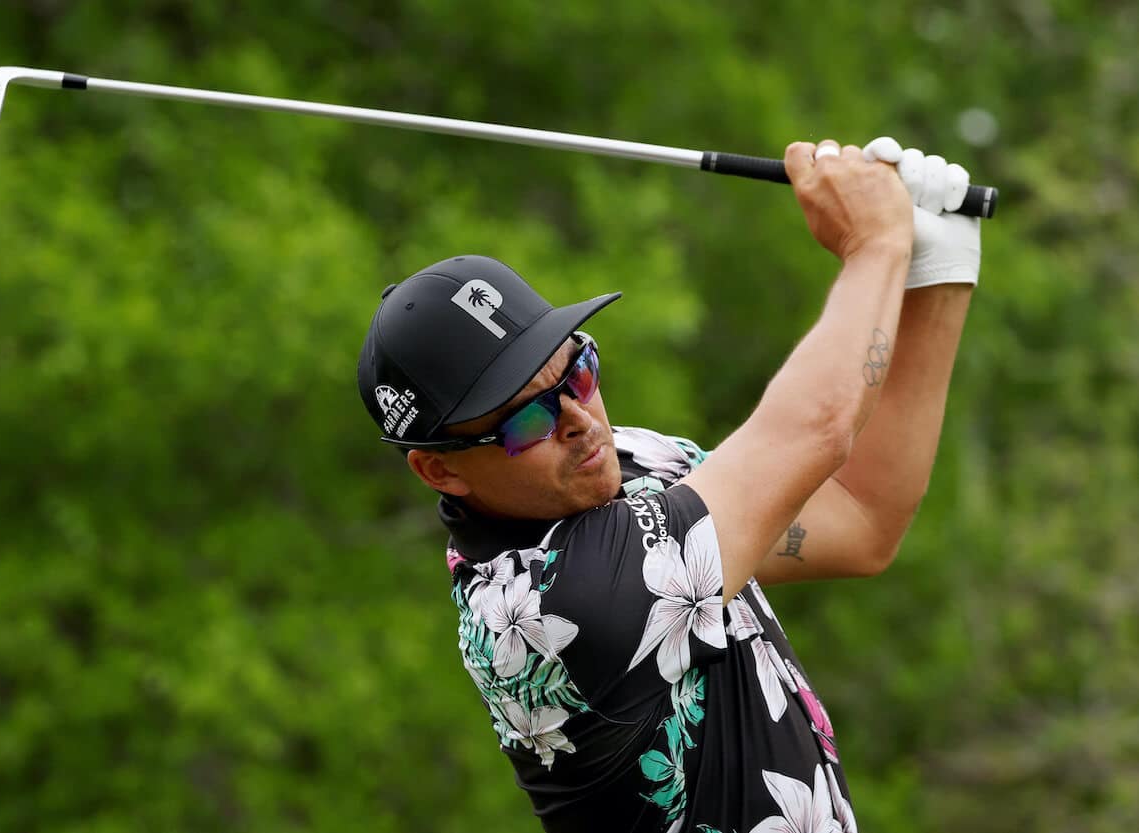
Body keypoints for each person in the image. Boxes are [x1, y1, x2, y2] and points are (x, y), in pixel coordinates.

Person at [356, 136, 981, 832]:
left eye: (578, 372)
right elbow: (814, 431)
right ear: (440, 468)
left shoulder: (629, 464)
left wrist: (936, 273)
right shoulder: (550, 608)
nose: (579, 421)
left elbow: (862, 516)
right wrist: (875, 246)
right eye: (526, 416)